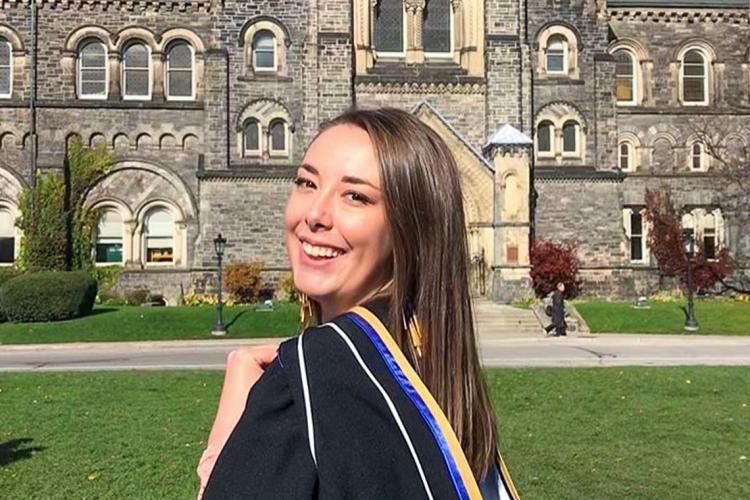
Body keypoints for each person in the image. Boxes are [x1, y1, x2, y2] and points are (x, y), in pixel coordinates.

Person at [197, 108, 520, 499]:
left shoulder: (310, 379)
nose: (314, 215)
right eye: (306, 182)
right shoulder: (431, 360)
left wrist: (221, 457)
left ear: (410, 230)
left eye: (355, 195)